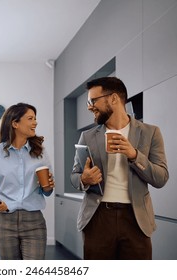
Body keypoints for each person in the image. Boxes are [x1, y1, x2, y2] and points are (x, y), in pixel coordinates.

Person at [70, 77, 169, 260]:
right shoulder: (88, 136)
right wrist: (84, 179)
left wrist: (134, 155)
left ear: (114, 98)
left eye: (93, 101)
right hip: (97, 218)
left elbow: (161, 178)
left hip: (136, 219)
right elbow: (74, 176)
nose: (89, 107)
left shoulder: (150, 132)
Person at [0, 102, 55, 260]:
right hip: (4, 220)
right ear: (15, 123)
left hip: (34, 221)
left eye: (35, 118)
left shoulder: (40, 152)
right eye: (30, 118)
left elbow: (47, 192)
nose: (35, 122)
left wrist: (49, 186)